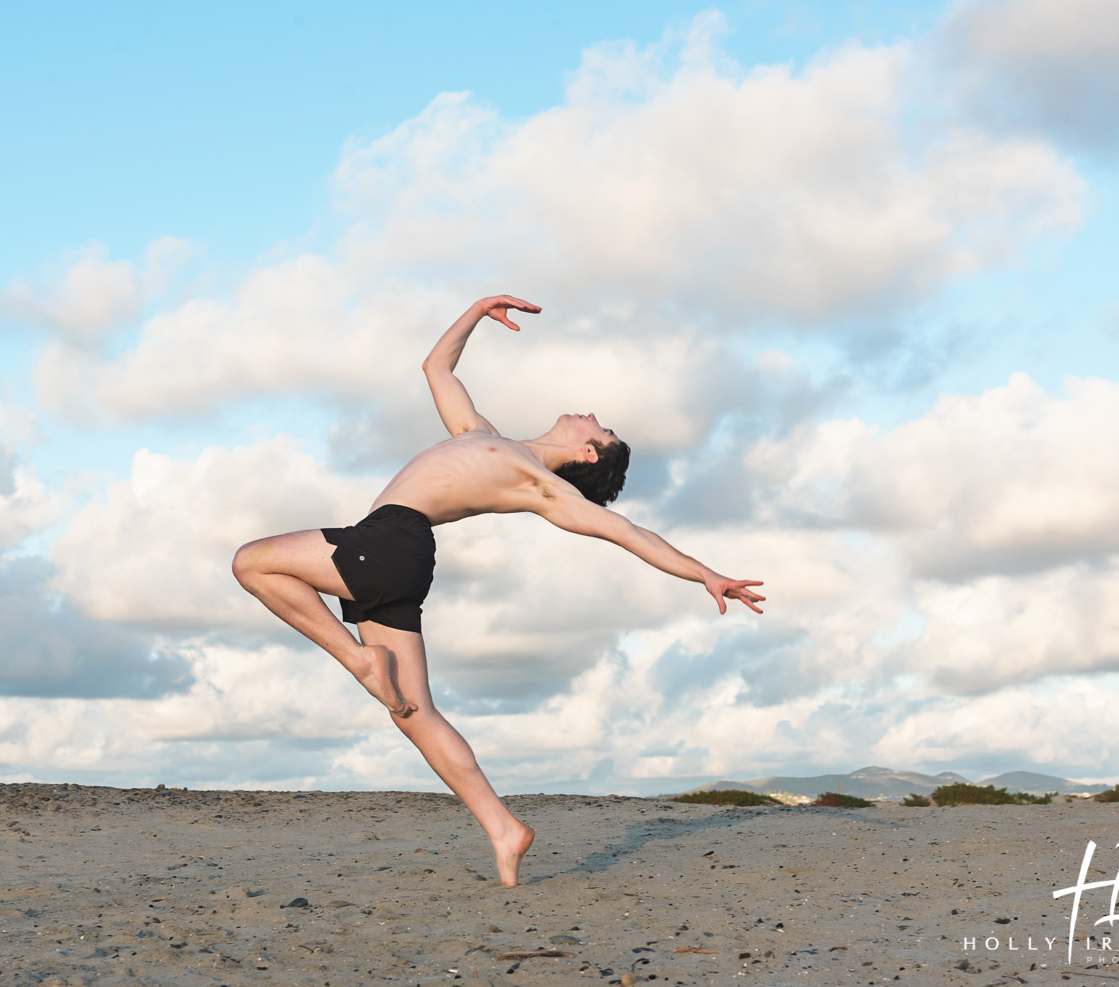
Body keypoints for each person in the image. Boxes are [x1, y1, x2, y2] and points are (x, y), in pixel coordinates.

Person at [231, 295, 765, 885]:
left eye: (602, 426)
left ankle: (359, 661)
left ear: (589, 453)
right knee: (413, 712)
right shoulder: (482, 435)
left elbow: (630, 533)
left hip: (390, 540)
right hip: (398, 555)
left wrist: (706, 574)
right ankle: (503, 829)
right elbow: (437, 369)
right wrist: (479, 311)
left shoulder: (542, 486)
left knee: (253, 563)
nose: (591, 412)